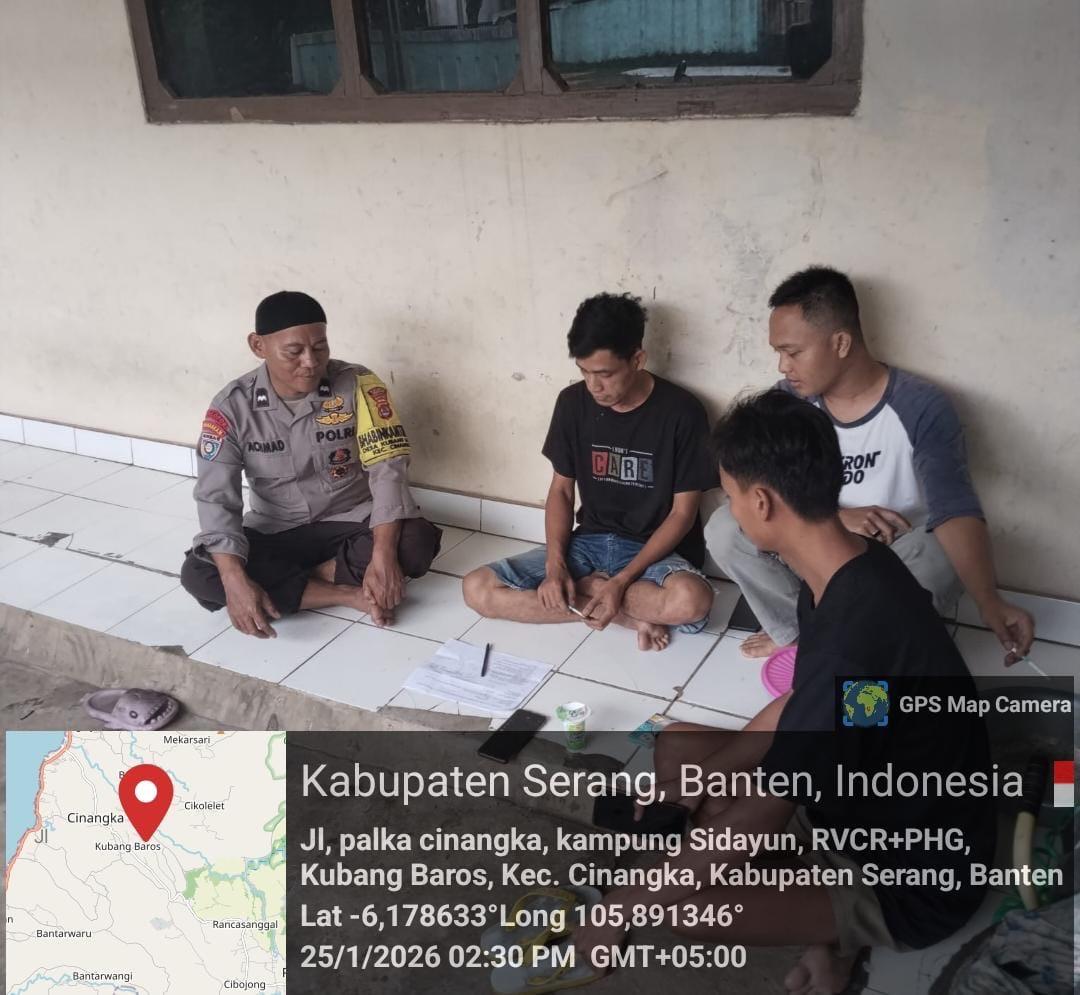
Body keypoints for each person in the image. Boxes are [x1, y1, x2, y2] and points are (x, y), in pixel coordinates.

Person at [573, 390, 995, 994]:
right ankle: (810, 908)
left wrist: (618, 909)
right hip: (861, 795)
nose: (732, 511)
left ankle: (840, 929)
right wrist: (702, 780)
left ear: (762, 502)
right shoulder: (851, 569)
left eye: (731, 496)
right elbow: (803, 700)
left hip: (909, 878)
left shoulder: (856, 636)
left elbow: (764, 809)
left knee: (687, 908)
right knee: (682, 748)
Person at [706, 266, 1035, 664]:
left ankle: (864, 643)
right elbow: (760, 492)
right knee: (726, 527)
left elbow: (954, 508)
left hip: (897, 550)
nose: (782, 367)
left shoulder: (920, 406)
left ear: (841, 343)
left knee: (938, 554)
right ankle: (798, 632)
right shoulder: (788, 405)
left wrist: (989, 601)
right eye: (779, 353)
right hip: (818, 537)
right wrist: (836, 518)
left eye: (792, 353)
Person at [462, 293, 716, 651]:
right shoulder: (572, 403)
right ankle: (627, 615)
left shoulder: (682, 412)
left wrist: (621, 581)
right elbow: (561, 491)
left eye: (605, 374)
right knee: (477, 589)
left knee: (691, 601)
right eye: (584, 372)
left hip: (653, 553)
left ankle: (590, 592)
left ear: (638, 359)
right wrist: (555, 568)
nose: (594, 386)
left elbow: (683, 513)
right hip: (589, 543)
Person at [181, 291, 441, 637]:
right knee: (200, 573)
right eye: (294, 352)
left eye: (320, 348)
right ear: (258, 346)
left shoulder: (358, 385)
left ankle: (291, 585)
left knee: (415, 542)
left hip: (352, 519)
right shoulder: (232, 408)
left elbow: (387, 469)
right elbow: (216, 498)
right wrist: (234, 577)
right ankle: (346, 593)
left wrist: (382, 554)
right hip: (277, 527)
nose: (310, 362)